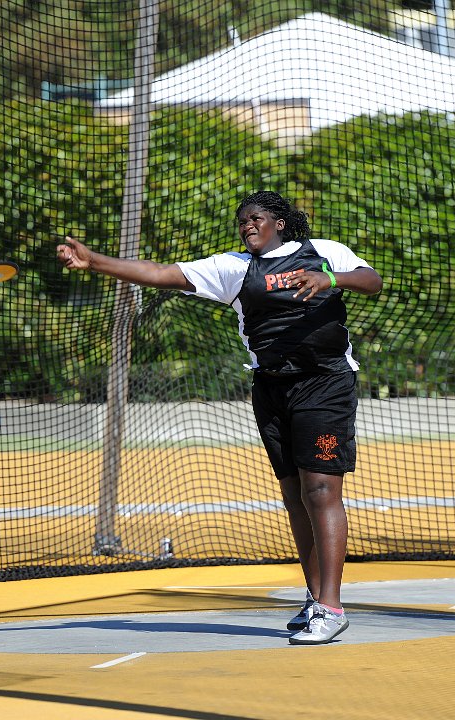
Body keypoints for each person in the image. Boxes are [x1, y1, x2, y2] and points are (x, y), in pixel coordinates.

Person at [57, 190, 382, 645]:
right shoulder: (233, 267)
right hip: (270, 386)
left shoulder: (323, 252)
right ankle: (314, 599)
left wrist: (330, 279)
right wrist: (96, 262)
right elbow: (159, 273)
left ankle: (331, 606)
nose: (246, 225)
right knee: (294, 496)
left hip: (325, 383)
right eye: (241, 221)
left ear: (280, 223)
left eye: (255, 218)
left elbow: (372, 280)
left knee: (321, 490)